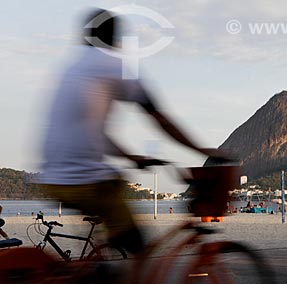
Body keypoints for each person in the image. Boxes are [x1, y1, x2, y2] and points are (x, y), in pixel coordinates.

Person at [38, 8, 226, 254]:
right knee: (138, 246)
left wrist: (131, 157)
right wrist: (201, 149)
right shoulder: (114, 66)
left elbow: (94, 134)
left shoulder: (71, 69)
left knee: (115, 235)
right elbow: (159, 118)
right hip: (85, 179)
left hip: (52, 179)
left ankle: (100, 279)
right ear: (115, 39)